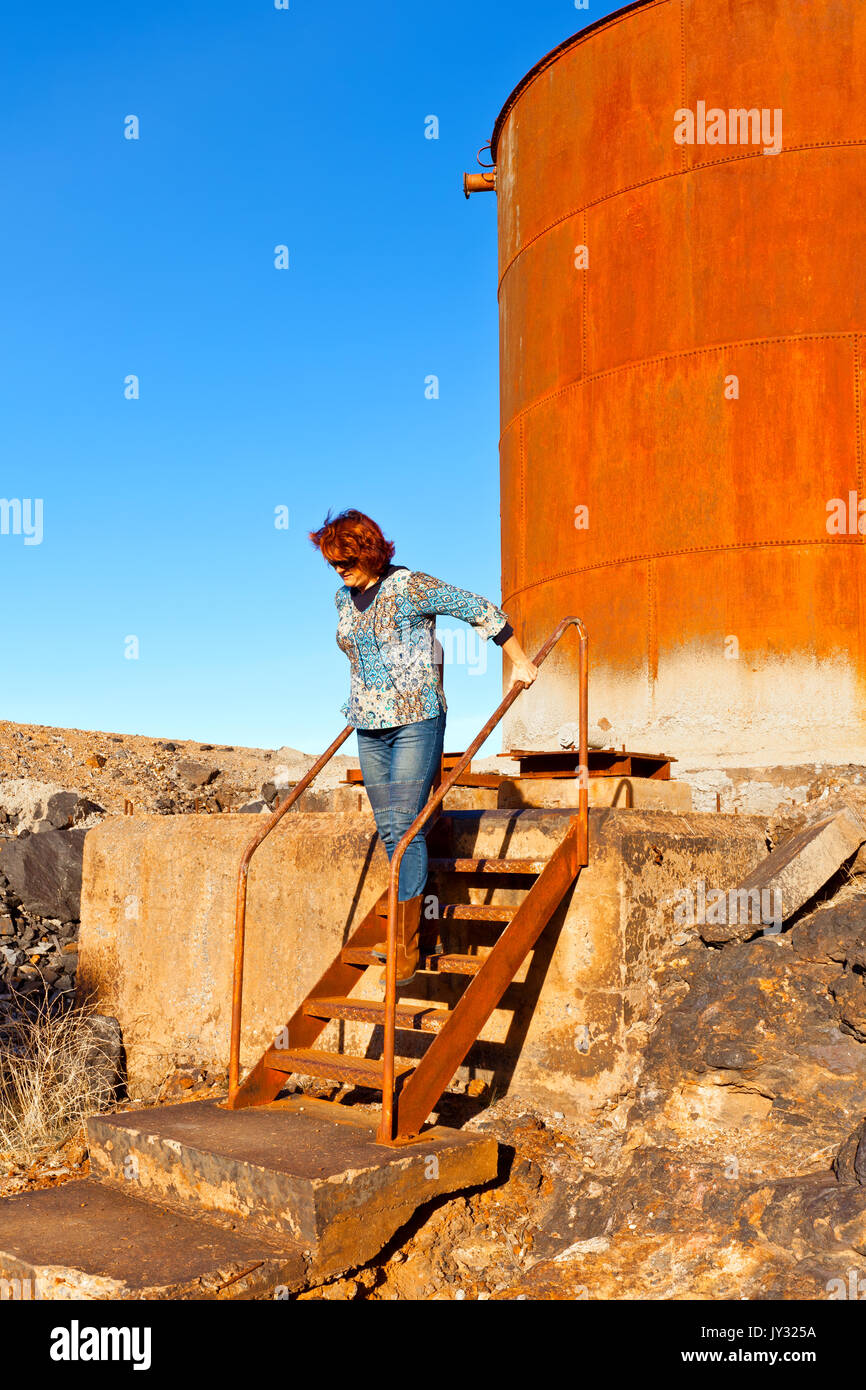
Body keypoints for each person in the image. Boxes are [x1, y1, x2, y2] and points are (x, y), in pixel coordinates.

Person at [309, 508, 538, 984]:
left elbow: (477, 608)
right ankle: (418, 921)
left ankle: (404, 944)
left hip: (416, 719)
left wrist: (518, 661)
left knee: (404, 829)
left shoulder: (409, 586)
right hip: (368, 727)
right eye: (333, 563)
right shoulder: (341, 599)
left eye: (346, 560)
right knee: (391, 829)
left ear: (369, 551)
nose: (339, 570)